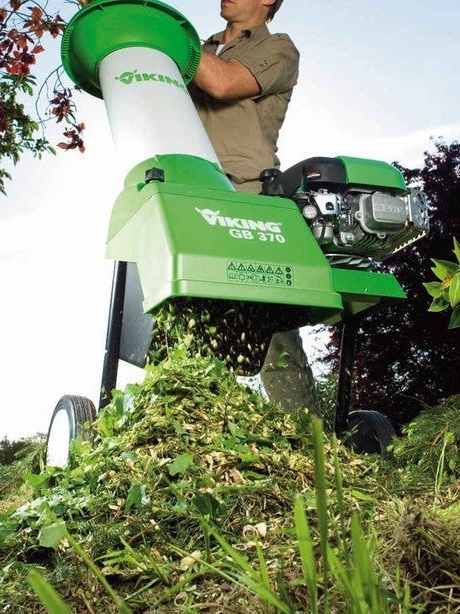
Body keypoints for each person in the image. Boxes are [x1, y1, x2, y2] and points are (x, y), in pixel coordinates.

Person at [190, 0, 320, 416]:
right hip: (187, 189)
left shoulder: (279, 49)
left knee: (268, 321)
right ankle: (192, 426)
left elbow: (224, 84)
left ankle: (307, 435)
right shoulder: (200, 45)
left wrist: (163, 37)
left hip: (247, 196)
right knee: (187, 311)